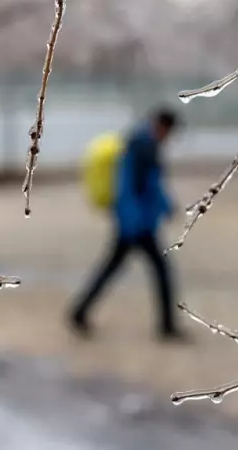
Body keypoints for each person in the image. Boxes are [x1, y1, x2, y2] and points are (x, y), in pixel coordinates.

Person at [68, 106, 188, 342]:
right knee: (161, 272)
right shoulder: (144, 147)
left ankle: (79, 312)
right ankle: (167, 328)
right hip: (137, 224)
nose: (169, 139)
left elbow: (141, 185)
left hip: (132, 222)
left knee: (111, 268)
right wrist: (164, 208)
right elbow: (145, 186)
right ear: (163, 127)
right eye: (170, 133)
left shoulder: (137, 142)